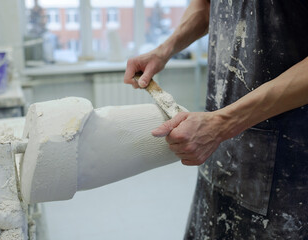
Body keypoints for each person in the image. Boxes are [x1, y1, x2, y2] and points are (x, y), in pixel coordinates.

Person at [124, 0, 308, 239]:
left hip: (289, 172)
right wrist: (165, 49)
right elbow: (206, 5)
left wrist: (224, 123)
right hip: (218, 154)